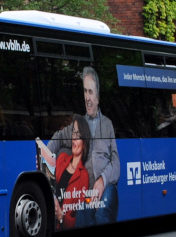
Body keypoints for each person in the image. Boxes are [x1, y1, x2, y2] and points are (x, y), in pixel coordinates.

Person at [40, 67, 119, 226]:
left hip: (106, 186)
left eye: (90, 92)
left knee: (105, 207)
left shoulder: (108, 124)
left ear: (97, 96)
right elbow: (57, 138)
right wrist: (44, 157)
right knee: (84, 214)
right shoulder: (79, 125)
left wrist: (102, 181)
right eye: (85, 92)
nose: (87, 98)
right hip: (85, 190)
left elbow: (116, 162)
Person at [42, 115, 92, 229]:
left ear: (84, 143)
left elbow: (78, 221)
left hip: (59, 225)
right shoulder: (62, 158)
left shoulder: (84, 176)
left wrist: (61, 215)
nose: (74, 138)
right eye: (74, 133)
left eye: (78, 135)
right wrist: (43, 162)